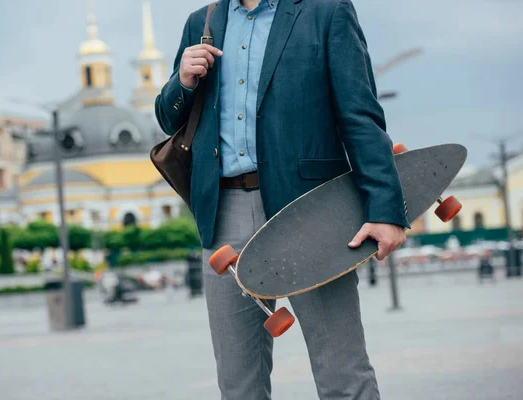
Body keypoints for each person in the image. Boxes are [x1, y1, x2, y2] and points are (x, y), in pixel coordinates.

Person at [155, 0, 408, 398]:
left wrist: (385, 209)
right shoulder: (200, 22)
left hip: (310, 210)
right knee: (238, 385)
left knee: (343, 374)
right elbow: (170, 120)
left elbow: (360, 115)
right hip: (224, 216)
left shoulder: (327, 12)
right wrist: (181, 82)